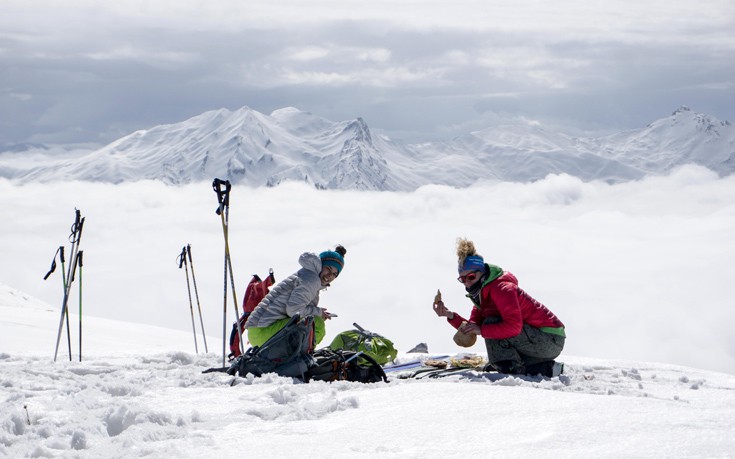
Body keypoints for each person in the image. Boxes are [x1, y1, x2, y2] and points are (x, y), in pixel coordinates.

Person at [433, 238, 565, 377]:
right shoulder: (482, 296)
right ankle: (546, 369)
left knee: (490, 325)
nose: (467, 283)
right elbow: (472, 329)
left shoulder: (502, 289)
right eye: (462, 279)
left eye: (471, 277)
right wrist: (450, 315)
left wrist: (482, 330)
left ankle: (512, 369)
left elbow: (514, 327)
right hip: (536, 339)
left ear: (482, 273)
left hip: (550, 339)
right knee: (489, 329)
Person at [245, 245, 346, 347]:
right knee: (317, 323)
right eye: (328, 269)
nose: (330, 275)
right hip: (263, 332)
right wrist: (318, 312)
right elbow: (294, 310)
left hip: (259, 331)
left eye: (334, 274)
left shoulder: (308, 276)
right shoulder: (311, 280)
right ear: (320, 265)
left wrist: (318, 312)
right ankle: (304, 358)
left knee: (312, 321)